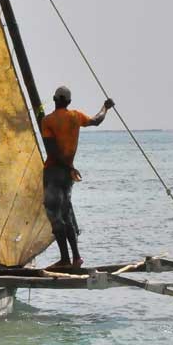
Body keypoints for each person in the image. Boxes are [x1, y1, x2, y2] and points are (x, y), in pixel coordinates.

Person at [41, 85, 114, 270]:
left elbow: (52, 151)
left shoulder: (48, 121)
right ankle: (77, 258)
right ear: (69, 102)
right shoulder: (76, 116)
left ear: (54, 99)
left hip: (55, 171)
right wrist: (105, 107)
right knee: (66, 213)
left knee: (55, 216)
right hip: (67, 176)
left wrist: (68, 166)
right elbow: (97, 120)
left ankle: (65, 259)